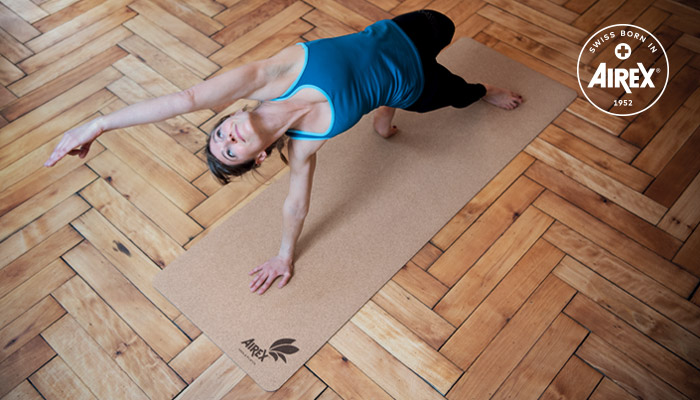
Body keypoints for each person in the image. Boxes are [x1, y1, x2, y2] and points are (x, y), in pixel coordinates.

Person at [45, 10, 523, 295]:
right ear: (257, 157)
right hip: (415, 85)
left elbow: (185, 99)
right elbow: (295, 203)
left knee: (445, 22)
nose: (227, 135)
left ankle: (384, 117)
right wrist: (282, 257)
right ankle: (476, 93)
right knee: (461, 92)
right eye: (231, 148)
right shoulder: (303, 147)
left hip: (398, 34)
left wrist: (98, 124)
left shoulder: (271, 76)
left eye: (219, 133)